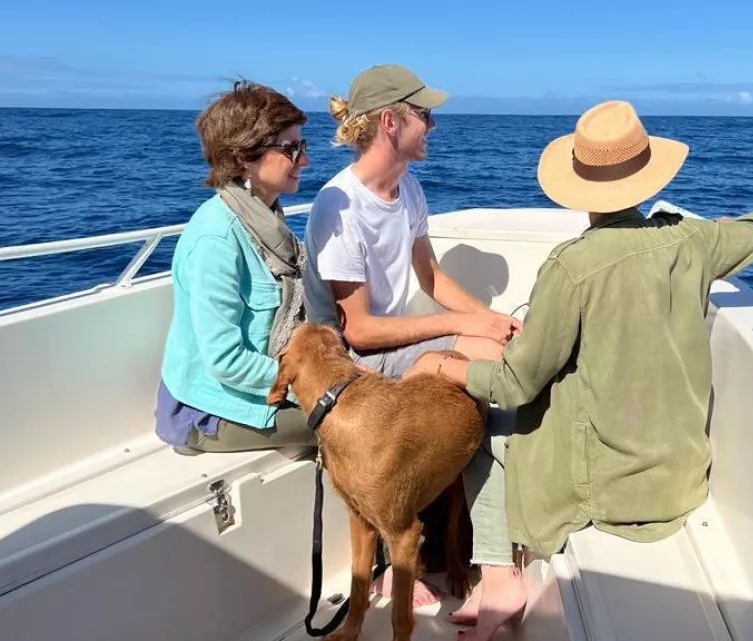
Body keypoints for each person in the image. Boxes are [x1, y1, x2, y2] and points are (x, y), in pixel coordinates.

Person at [406, 99, 753, 640]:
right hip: (677, 480)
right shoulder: (693, 239)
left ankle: (499, 581)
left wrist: (443, 365)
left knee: (485, 422)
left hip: (608, 492)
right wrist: (718, 226)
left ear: (579, 183)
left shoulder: (572, 266)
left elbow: (517, 383)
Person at [301, 64, 525, 621]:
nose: (433, 125)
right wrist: (463, 331)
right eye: (424, 114)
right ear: (389, 121)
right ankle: (491, 565)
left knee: (503, 352)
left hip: (392, 342)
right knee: (484, 360)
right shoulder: (340, 205)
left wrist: (492, 318)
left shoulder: (408, 188)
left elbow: (431, 278)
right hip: (357, 363)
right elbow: (358, 330)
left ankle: (482, 547)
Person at [155, 79, 315, 454]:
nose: (304, 160)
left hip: (264, 390)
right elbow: (226, 361)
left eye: (302, 146)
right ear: (245, 156)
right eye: (292, 148)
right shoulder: (218, 239)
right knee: (372, 423)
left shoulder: (264, 220)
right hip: (212, 411)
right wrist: (316, 381)